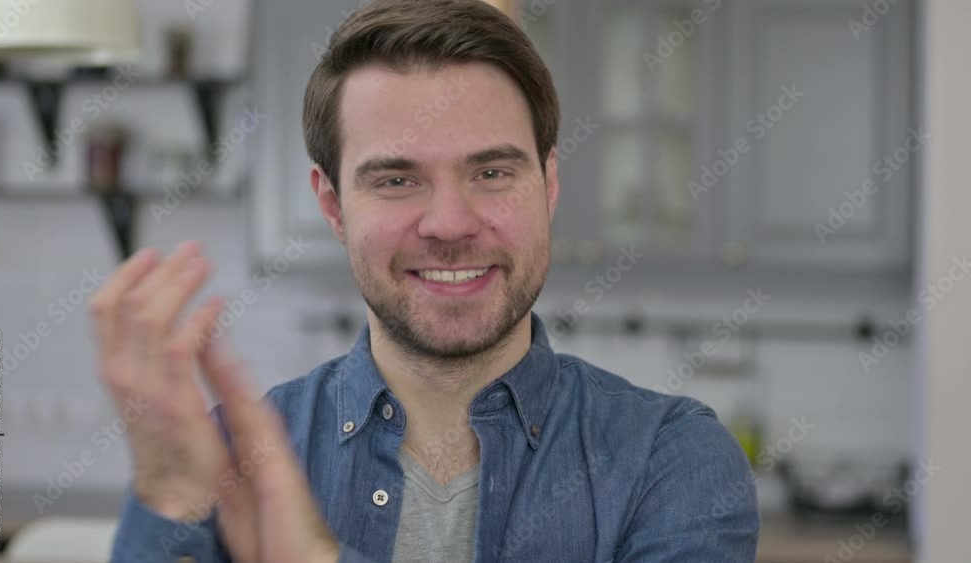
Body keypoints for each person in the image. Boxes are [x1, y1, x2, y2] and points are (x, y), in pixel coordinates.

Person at [95, 0, 759, 561]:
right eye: (397, 179)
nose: (448, 223)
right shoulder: (224, 459)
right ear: (331, 205)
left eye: (492, 173)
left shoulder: (671, 459)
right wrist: (168, 506)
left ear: (548, 184)